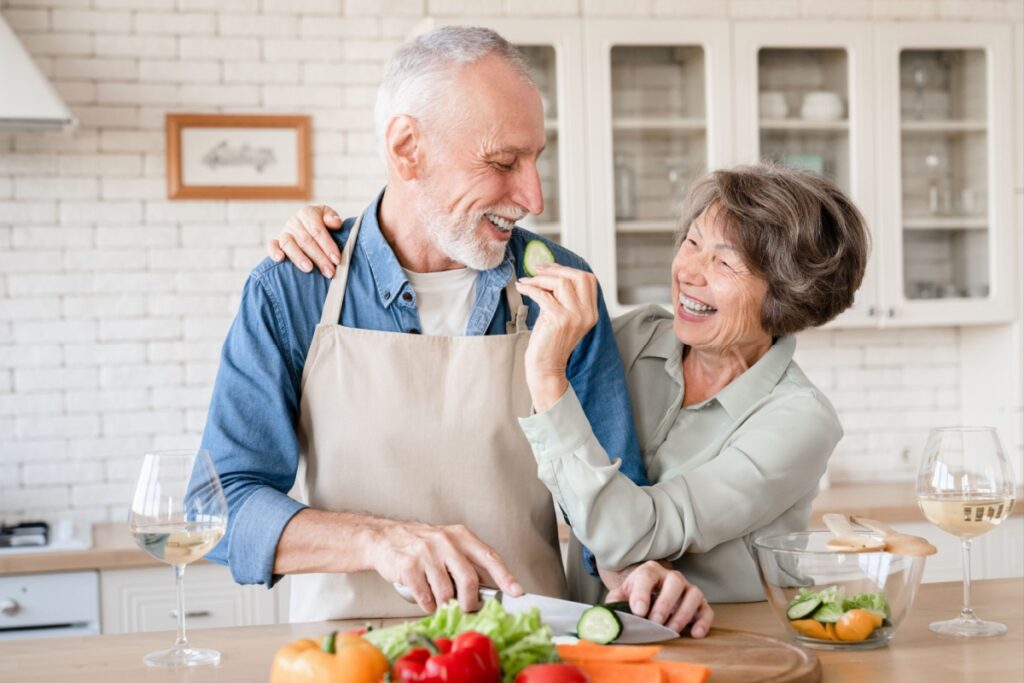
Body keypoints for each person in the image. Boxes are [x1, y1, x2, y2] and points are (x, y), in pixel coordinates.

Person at [205, 25, 706, 628]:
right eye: (502, 162)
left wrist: (641, 577)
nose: (533, 196)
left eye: (535, 159)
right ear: (407, 149)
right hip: (349, 652)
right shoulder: (295, 286)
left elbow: (607, 515)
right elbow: (218, 507)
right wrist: (378, 541)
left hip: (529, 645)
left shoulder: (562, 286)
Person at [276, 163, 868, 624]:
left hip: (729, 645)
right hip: (599, 644)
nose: (690, 270)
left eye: (725, 261)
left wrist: (550, 377)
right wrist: (349, 236)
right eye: (692, 242)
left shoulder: (798, 421)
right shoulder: (636, 337)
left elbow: (625, 531)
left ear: (786, 294)